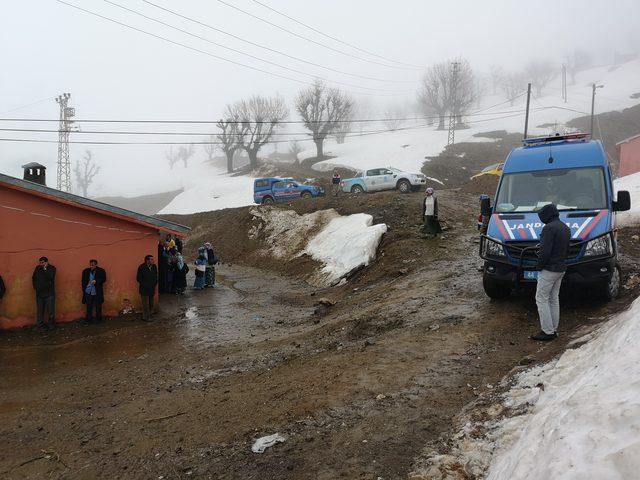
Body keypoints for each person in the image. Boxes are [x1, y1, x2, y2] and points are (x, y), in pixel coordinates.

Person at [531, 203, 570, 341]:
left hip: (549, 269)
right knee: (554, 299)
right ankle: (553, 329)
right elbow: (567, 249)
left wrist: (539, 266)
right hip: (561, 268)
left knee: (541, 299)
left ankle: (547, 332)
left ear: (547, 215)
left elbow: (544, 251)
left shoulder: (549, 228)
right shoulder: (564, 227)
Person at [32, 256, 57, 331]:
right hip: (39, 293)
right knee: (40, 310)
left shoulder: (52, 268)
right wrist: (35, 287)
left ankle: (51, 325)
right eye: (40, 263)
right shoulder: (37, 268)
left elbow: (51, 277)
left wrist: (45, 269)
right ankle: (40, 325)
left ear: (46, 262)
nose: (41, 264)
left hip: (49, 294)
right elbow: (34, 278)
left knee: (50, 311)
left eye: (42, 263)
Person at [82, 259, 107, 325]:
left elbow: (104, 279)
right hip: (88, 291)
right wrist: (84, 289)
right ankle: (89, 319)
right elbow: (83, 281)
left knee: (98, 306)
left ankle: (98, 319)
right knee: (89, 306)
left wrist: (96, 281)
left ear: (96, 264)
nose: (91, 266)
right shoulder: (85, 271)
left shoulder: (101, 271)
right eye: (90, 265)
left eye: (93, 265)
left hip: (97, 291)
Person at [136, 255, 158, 322]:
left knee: (151, 303)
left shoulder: (154, 266)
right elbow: (139, 279)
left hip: (152, 288)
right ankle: (145, 317)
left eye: (153, 259)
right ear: (147, 260)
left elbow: (156, 276)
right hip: (144, 289)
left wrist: (154, 283)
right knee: (145, 304)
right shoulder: (141, 267)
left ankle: (150, 315)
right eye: (151, 259)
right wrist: (146, 285)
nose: (153, 261)